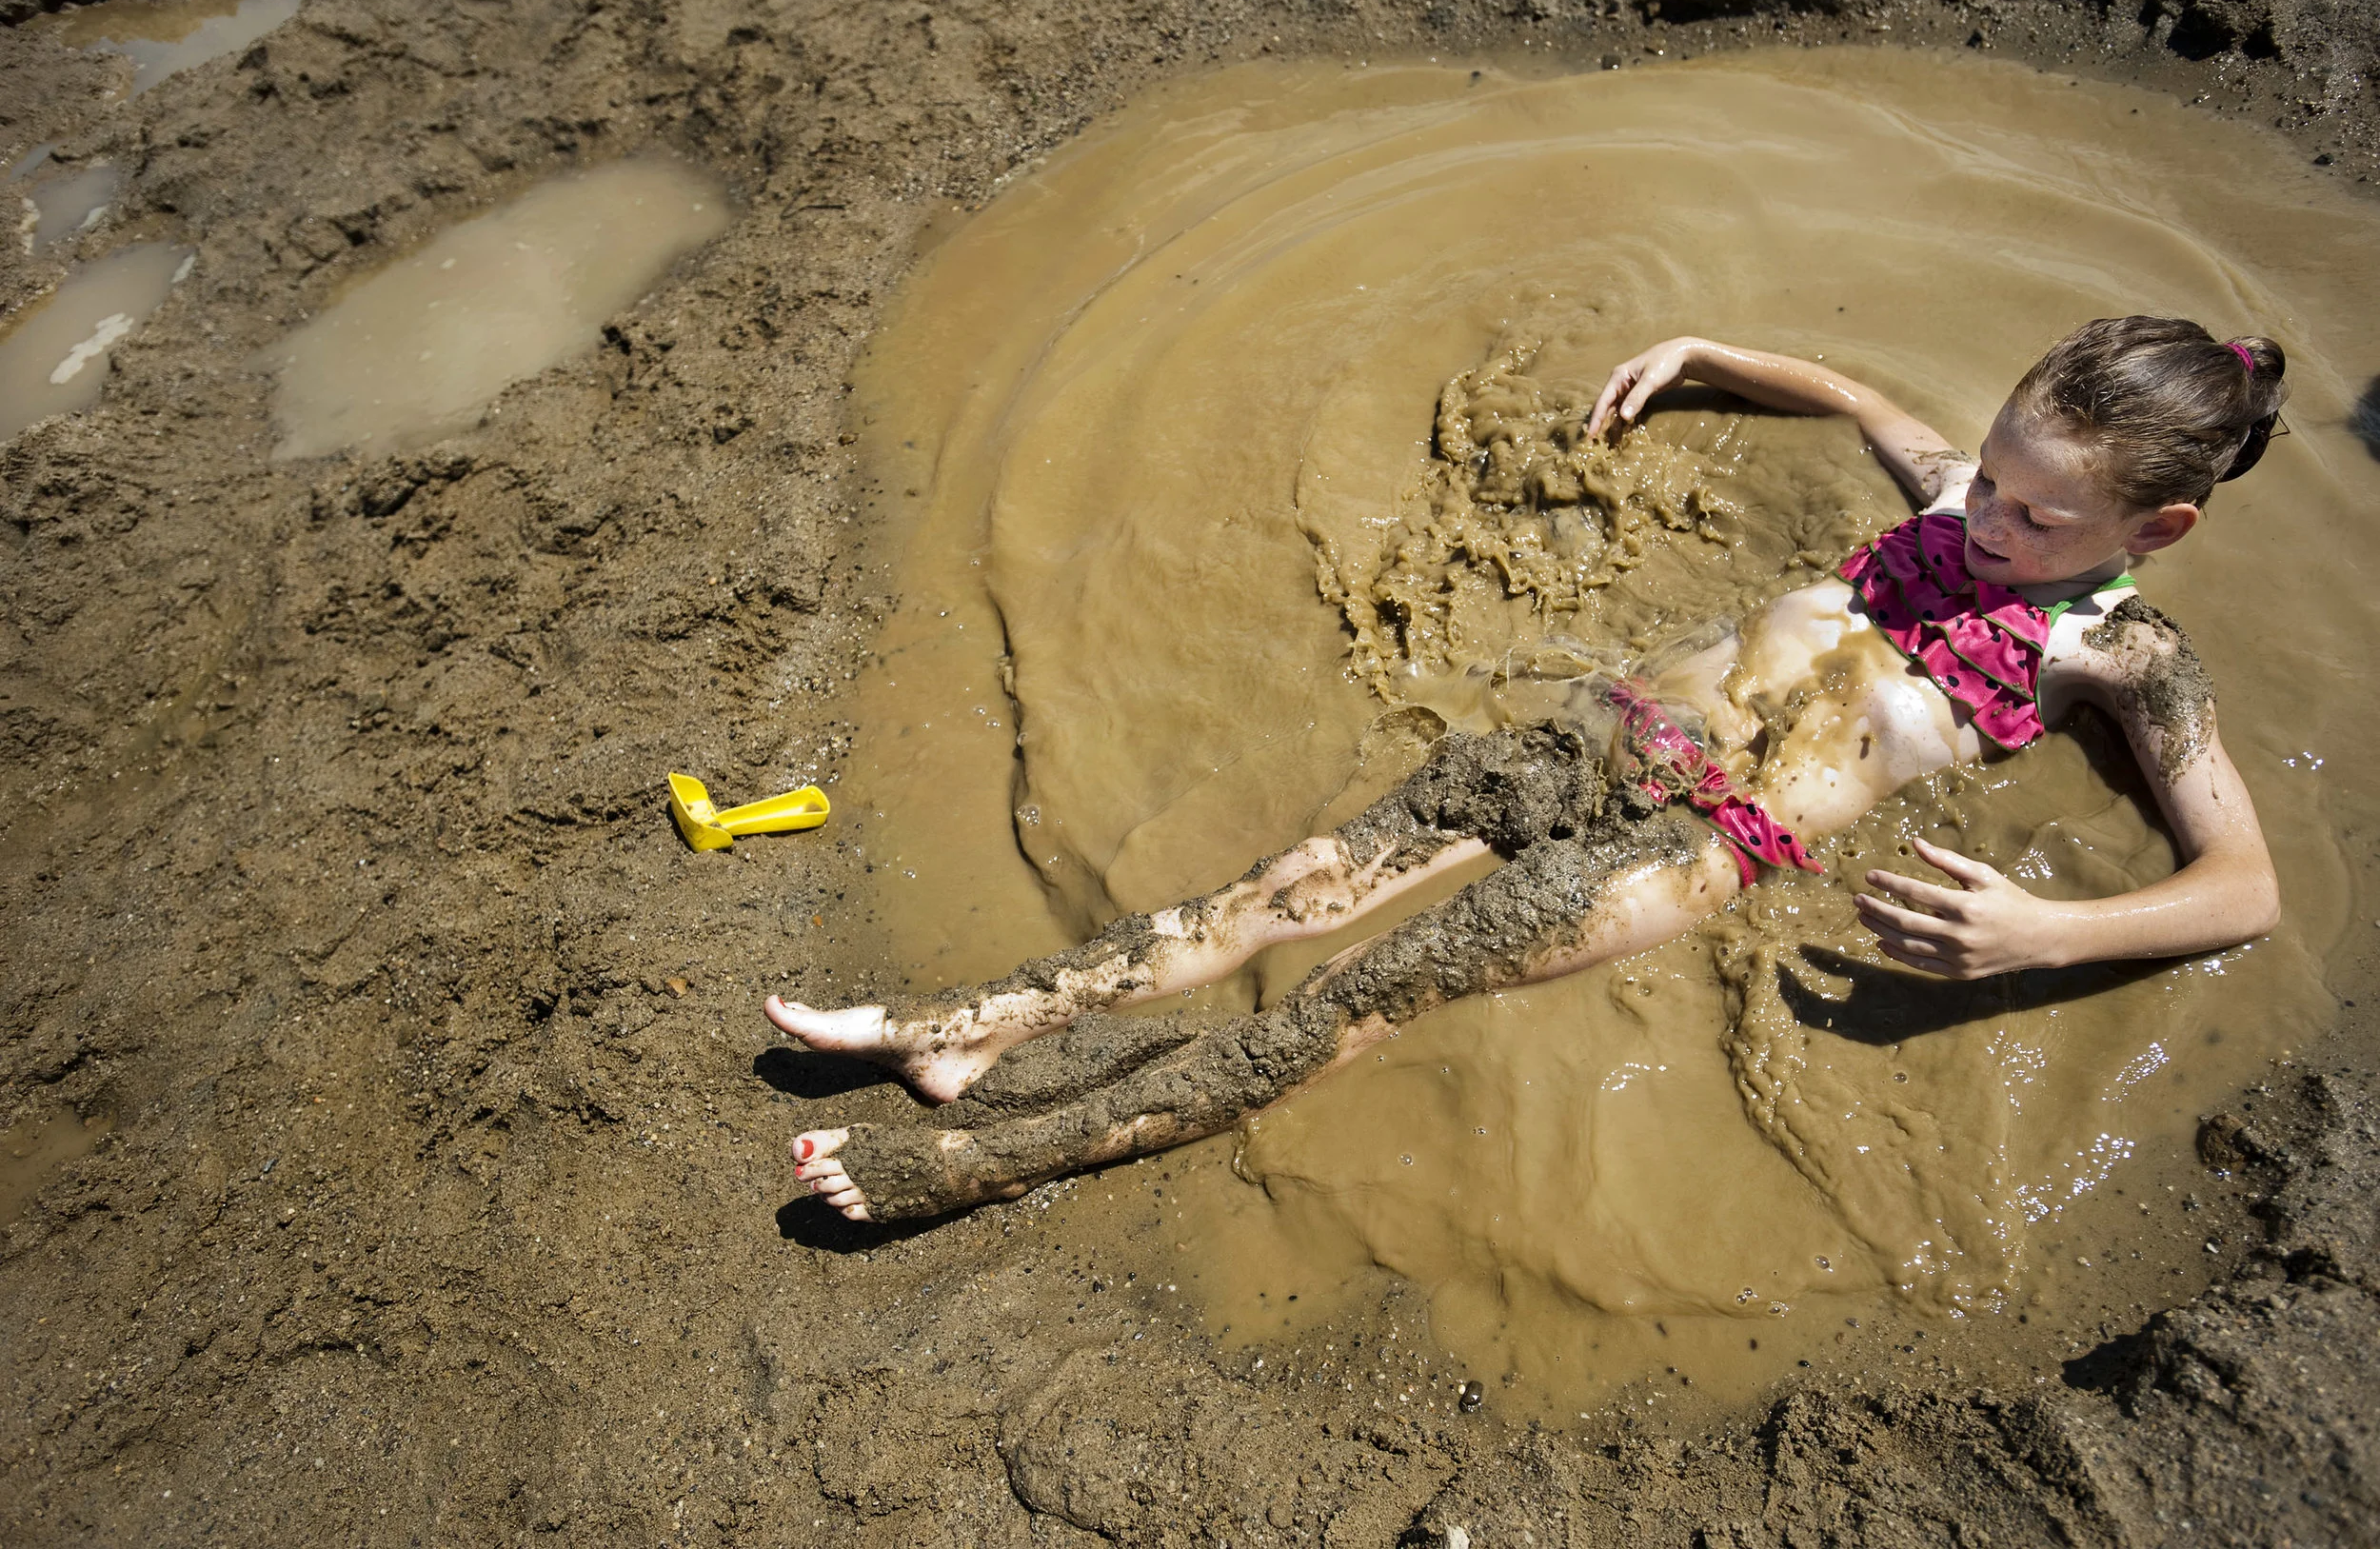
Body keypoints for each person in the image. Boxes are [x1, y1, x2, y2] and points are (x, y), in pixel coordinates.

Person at [769, 316, 2287, 1222]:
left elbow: (2246, 887)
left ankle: (977, 1162)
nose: (1988, 522)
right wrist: (1706, 355)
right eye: (1995, 477)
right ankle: (962, 1032)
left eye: (2038, 518)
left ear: (2155, 535)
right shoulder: (1963, 487)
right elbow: (1855, 396)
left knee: (1359, 999)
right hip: (1599, 738)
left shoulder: (2130, 663)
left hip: (1700, 845)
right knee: (1292, 884)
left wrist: (2051, 932)